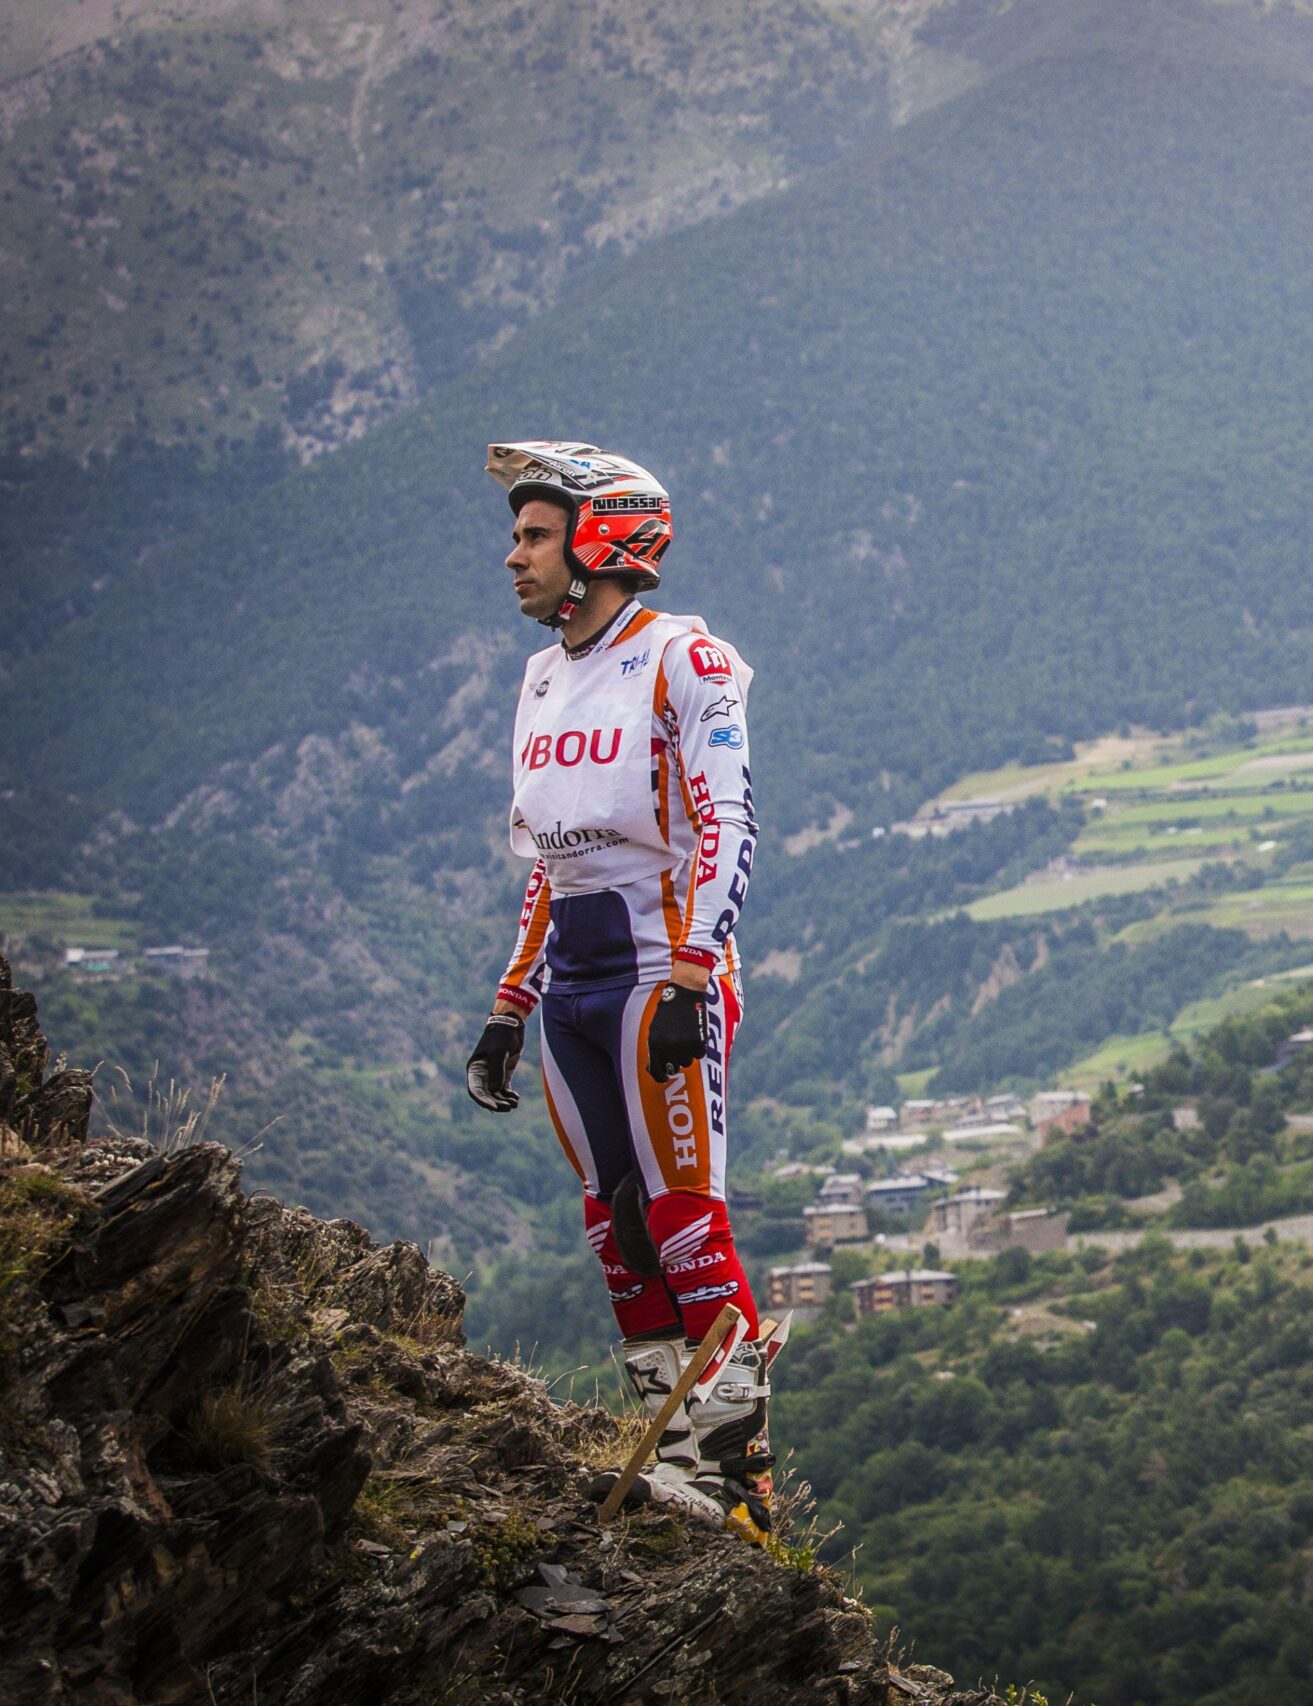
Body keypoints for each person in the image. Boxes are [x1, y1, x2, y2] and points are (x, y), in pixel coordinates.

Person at [459, 440, 782, 1541]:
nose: (514, 557)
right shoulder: (543, 674)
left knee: (686, 1221)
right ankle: (675, 1455)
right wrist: (510, 1003)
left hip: (659, 974)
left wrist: (696, 970)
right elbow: (552, 861)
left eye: (535, 535)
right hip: (569, 985)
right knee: (617, 1229)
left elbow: (728, 822)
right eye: (517, 535)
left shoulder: (684, 661)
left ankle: (744, 1479)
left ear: (602, 540)